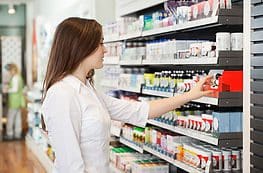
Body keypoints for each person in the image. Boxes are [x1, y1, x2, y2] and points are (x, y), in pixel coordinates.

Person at [42, 17, 212, 173]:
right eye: (100, 43)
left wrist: (189, 95)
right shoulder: (61, 94)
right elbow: (70, 166)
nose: (105, 50)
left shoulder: (88, 91)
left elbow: (139, 111)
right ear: (81, 47)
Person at [3, 63, 25, 140]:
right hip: (18, 101)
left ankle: (9, 134)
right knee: (17, 118)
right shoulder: (19, 77)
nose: (9, 72)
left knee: (10, 118)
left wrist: (7, 90)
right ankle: (17, 134)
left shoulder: (15, 78)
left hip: (14, 101)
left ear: (13, 70)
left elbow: (15, 89)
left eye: (9, 70)